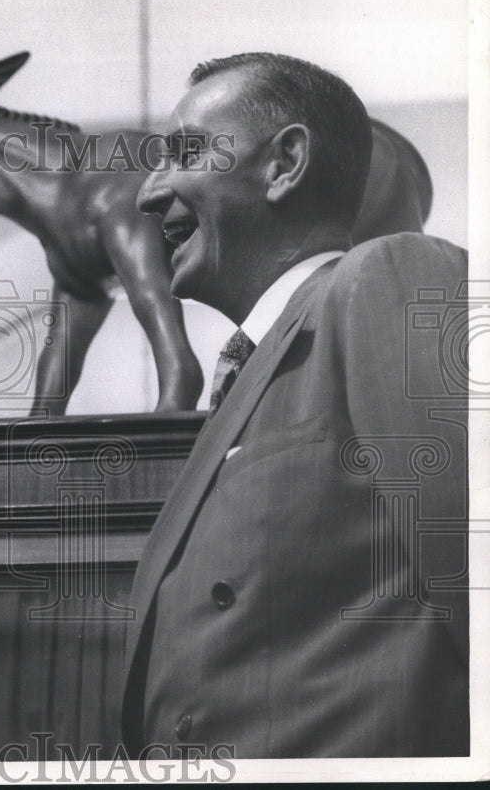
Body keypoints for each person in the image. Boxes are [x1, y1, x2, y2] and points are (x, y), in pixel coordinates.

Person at [121, 53, 468, 758]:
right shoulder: (249, 374)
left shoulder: (385, 275)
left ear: (284, 164)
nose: (147, 194)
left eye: (185, 152)